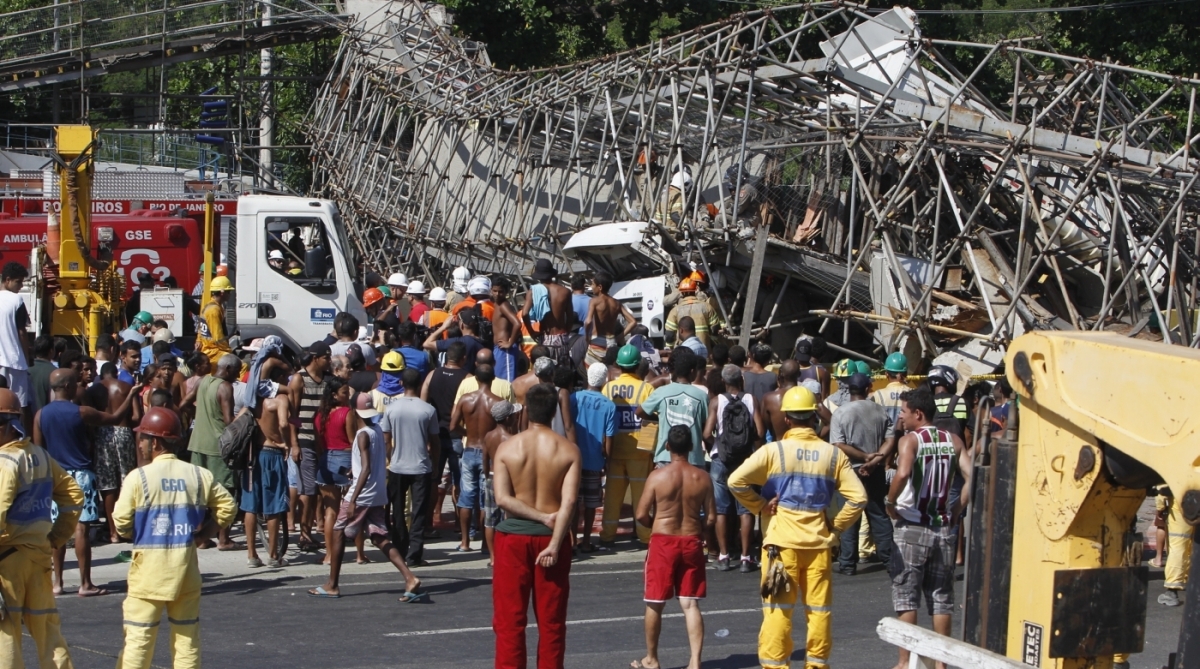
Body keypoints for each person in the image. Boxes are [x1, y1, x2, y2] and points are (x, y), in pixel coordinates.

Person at [728, 386, 867, 669]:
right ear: (815, 417)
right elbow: (858, 499)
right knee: (819, 612)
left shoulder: (774, 451)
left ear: (787, 419)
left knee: (778, 611)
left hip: (781, 548)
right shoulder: (833, 455)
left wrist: (759, 506)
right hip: (818, 548)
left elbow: (736, 481)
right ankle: (816, 665)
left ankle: (776, 666)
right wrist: (836, 527)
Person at [112, 407, 236, 669]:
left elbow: (121, 523)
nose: (141, 443)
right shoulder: (199, 475)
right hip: (185, 573)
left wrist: (142, 531)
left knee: (139, 640)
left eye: (143, 438)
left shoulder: (138, 477)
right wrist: (204, 533)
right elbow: (228, 506)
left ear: (155, 442)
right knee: (186, 640)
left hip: (148, 576)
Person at [491, 383, 581, 669]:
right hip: (550, 540)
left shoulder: (507, 448)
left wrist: (539, 518)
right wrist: (553, 537)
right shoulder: (569, 450)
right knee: (552, 621)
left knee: (509, 621)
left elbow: (502, 499)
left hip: (513, 540)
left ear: (526, 411)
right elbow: (567, 504)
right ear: (555, 410)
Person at [885, 388, 973, 669]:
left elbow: (903, 473)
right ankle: (941, 664)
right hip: (943, 528)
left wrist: (890, 501)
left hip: (912, 525)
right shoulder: (954, 440)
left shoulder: (910, 441)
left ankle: (905, 661)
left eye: (903, 412)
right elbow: (973, 476)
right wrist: (957, 508)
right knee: (941, 597)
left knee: (906, 596)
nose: (900, 417)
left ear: (918, 414)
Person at [309, 392, 426, 601]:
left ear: (355, 411)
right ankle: (410, 577)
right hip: (377, 492)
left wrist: (353, 499)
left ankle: (332, 585)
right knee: (379, 536)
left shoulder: (363, 434)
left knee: (338, 532)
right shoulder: (377, 430)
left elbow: (366, 468)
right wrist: (353, 471)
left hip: (362, 494)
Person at [37, 369, 139, 597]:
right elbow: (114, 419)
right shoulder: (81, 412)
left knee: (56, 529)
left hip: (55, 476)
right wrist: (131, 395)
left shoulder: (40, 415)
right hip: (81, 475)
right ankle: (85, 583)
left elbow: (38, 451)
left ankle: (58, 583)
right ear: (68, 387)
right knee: (81, 528)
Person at [0, 386, 82, 667]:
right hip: (38, 556)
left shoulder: (4, 463)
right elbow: (73, 497)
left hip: (7, 562)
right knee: (48, 631)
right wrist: (56, 538)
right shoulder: (39, 456)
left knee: (6, 632)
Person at [633, 426, 715, 669]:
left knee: (655, 602)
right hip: (691, 540)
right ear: (691, 448)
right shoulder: (702, 477)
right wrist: (696, 527)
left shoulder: (657, 476)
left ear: (667, 446)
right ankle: (695, 662)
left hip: (663, 541)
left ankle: (652, 659)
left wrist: (655, 524)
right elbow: (711, 518)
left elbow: (640, 514)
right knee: (690, 603)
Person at [829, 372, 895, 576]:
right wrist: (873, 461)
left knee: (850, 516)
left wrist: (863, 457)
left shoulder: (840, 413)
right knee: (878, 514)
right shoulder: (880, 411)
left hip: (849, 470)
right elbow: (890, 440)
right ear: (868, 389)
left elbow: (838, 444)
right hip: (874, 471)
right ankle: (890, 559)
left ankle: (848, 563)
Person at [703, 364, 764, 574]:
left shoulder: (716, 401)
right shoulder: (751, 400)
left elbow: (707, 433)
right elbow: (760, 431)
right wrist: (748, 448)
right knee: (745, 508)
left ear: (723, 381)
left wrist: (719, 447)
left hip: (721, 460)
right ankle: (746, 557)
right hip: (746, 461)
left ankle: (724, 555)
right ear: (742, 380)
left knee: (721, 508)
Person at [243, 354, 296, 569]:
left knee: (250, 506)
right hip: (272, 454)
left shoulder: (254, 401)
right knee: (273, 506)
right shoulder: (280, 399)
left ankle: (252, 555)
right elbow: (283, 423)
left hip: (252, 454)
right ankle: (273, 555)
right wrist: (284, 442)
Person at [381, 368, 439, 566]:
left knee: (397, 511)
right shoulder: (428, 410)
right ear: (421, 383)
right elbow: (435, 442)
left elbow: (386, 440)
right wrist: (436, 465)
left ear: (401, 384)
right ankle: (414, 554)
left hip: (397, 466)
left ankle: (399, 549)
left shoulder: (391, 409)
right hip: (421, 466)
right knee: (419, 512)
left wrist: (389, 459)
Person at [187, 353, 243, 551]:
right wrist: (244, 416)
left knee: (200, 493)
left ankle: (202, 537)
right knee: (224, 492)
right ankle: (224, 539)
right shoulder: (225, 387)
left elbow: (185, 403)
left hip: (197, 443)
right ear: (227, 369)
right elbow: (229, 422)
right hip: (218, 447)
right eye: (236, 372)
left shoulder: (202, 381)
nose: (237, 377)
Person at [449, 363, 501, 551]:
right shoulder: (497, 402)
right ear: (493, 379)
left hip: (470, 450)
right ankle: (486, 545)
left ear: (476, 379)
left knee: (466, 497)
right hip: (488, 453)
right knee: (486, 499)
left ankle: (465, 542)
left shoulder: (465, 399)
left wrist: (467, 432)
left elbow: (452, 426)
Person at [420, 340, 469, 533]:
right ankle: (460, 524)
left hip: (436, 435)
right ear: (463, 358)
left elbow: (423, 405)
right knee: (460, 481)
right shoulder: (467, 378)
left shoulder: (432, 375)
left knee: (434, 479)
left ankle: (428, 522)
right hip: (458, 434)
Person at [570, 363, 617, 553]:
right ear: (605, 380)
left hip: (573, 459)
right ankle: (587, 541)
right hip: (595, 461)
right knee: (590, 504)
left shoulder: (574, 398)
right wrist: (608, 461)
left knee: (572, 502)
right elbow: (609, 438)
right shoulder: (609, 405)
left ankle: (572, 540)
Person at [93, 361, 140, 545]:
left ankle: (113, 532)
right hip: (124, 433)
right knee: (126, 482)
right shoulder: (126, 387)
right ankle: (126, 529)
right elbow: (136, 417)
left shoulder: (94, 390)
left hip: (102, 434)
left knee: (108, 486)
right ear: (115, 373)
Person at [638, 351, 709, 468]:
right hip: (693, 459)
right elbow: (704, 425)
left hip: (665, 457)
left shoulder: (661, 391)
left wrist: (659, 417)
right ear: (692, 371)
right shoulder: (702, 396)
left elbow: (640, 411)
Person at [482, 400, 520, 566]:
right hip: (508, 479)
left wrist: (487, 477)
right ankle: (509, 553)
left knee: (490, 519)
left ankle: (493, 557)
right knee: (509, 517)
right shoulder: (512, 439)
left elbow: (484, 461)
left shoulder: (488, 436)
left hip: (491, 477)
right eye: (513, 415)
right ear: (507, 418)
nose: (516, 417)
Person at [521, 259, 574, 361]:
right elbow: (570, 318)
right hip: (561, 337)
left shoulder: (533, 292)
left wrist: (531, 332)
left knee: (545, 371)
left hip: (545, 337)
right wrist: (566, 333)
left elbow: (524, 314)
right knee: (562, 371)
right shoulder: (565, 292)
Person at [0, 263, 33, 425]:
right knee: (19, 405)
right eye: (18, 282)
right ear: (7, 280)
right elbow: (22, 332)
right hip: (14, 361)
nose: (20, 286)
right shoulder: (16, 300)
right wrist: (26, 358)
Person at [582, 270, 636, 367]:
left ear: (600, 287)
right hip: (611, 342)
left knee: (591, 372)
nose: (592, 287)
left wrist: (587, 337)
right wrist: (620, 336)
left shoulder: (594, 301)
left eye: (593, 284)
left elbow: (588, 321)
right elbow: (633, 322)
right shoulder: (616, 303)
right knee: (609, 372)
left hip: (597, 340)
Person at [664, 277, 722, 349]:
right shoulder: (707, 307)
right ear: (695, 291)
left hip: (685, 352)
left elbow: (669, 335)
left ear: (681, 293)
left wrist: (670, 348)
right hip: (704, 351)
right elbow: (715, 329)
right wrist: (711, 344)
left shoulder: (675, 311)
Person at [490, 277, 524, 382]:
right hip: (499, 349)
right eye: (494, 291)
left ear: (506, 292)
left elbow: (517, 324)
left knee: (506, 382)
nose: (497, 294)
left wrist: (509, 343)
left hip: (505, 350)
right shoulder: (497, 304)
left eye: (501, 292)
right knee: (498, 380)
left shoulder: (504, 305)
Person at [196, 276, 234, 365]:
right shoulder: (214, 310)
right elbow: (218, 338)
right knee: (241, 366)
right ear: (222, 292)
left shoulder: (209, 305)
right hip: (213, 351)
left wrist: (198, 340)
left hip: (207, 349)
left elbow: (201, 328)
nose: (230, 294)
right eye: (228, 291)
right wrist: (229, 351)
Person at [870, 352, 910, 428]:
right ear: (906, 373)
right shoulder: (913, 393)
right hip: (907, 438)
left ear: (886, 374)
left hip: (885, 439)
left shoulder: (878, 395)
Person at [760, 360, 798, 441]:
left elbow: (763, 429)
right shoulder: (810, 396)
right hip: (802, 449)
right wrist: (817, 436)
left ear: (780, 374)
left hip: (778, 448)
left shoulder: (769, 398)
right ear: (799, 374)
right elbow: (829, 421)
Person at [27, 335, 55, 414]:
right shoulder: (55, 373)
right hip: (45, 419)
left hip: (25, 419)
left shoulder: (25, 369)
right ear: (51, 351)